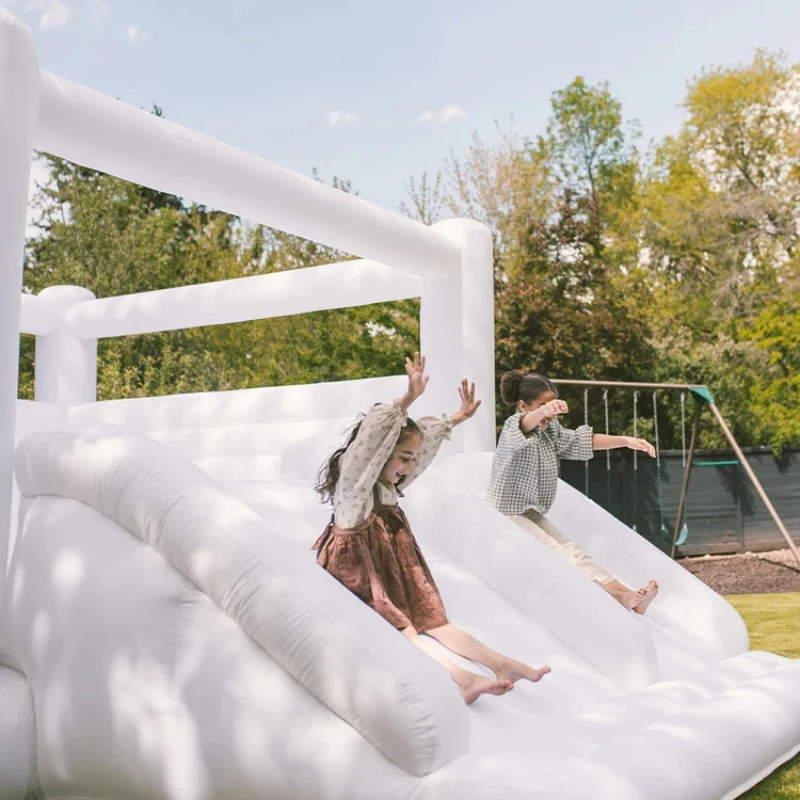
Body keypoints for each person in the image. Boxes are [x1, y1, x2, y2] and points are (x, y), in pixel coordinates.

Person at [313, 353, 551, 704]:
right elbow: (368, 446)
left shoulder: (390, 486)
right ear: (381, 456)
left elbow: (421, 448)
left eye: (412, 460)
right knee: (405, 630)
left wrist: (456, 418)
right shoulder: (355, 489)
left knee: (435, 619)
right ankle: (461, 678)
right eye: (402, 459)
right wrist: (406, 400)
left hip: (395, 563)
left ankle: (502, 664)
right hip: (359, 571)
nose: (410, 468)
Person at [488, 369, 660, 614]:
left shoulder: (552, 433)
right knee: (558, 552)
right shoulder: (513, 427)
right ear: (523, 405)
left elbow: (583, 441)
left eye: (551, 406)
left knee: (572, 548)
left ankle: (628, 594)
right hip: (504, 513)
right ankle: (616, 597)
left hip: (530, 511)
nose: (549, 413)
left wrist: (626, 441)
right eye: (542, 405)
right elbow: (526, 424)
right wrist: (544, 411)